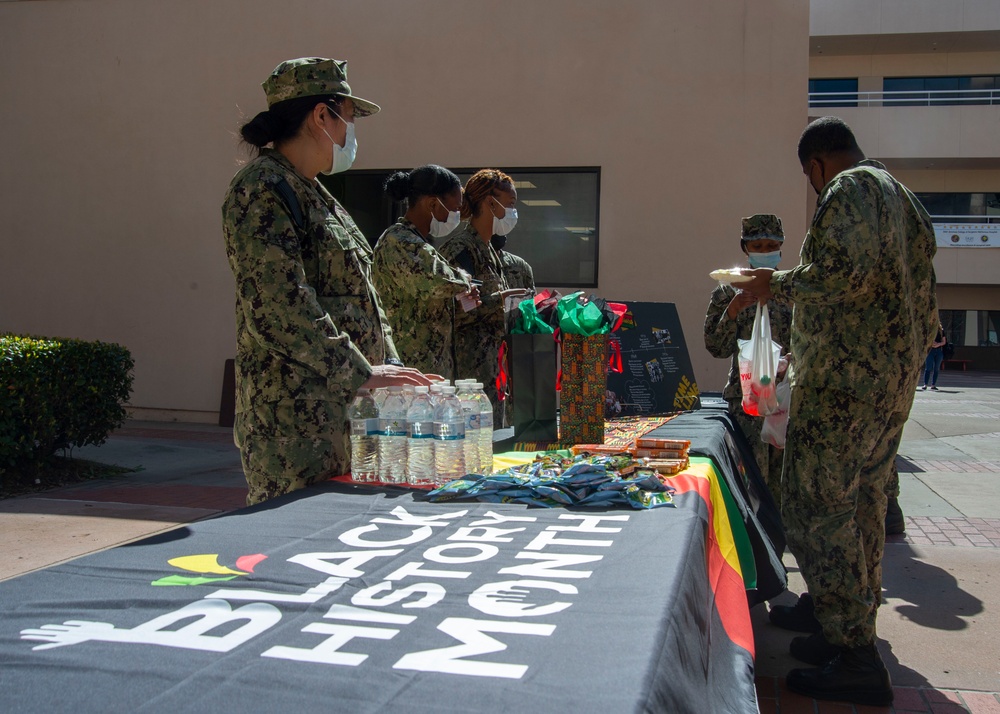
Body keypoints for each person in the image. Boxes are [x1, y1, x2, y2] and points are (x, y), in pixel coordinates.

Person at [743, 116, 937, 706]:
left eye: (810, 178)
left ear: (818, 166)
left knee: (814, 508)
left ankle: (854, 652)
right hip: (887, 384)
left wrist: (771, 284)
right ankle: (842, 624)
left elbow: (840, 275)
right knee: (864, 506)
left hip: (846, 388)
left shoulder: (850, 189)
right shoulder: (904, 199)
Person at [222, 57, 433, 505]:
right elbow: (278, 309)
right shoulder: (262, 189)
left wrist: (391, 370)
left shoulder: (315, 192)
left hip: (345, 420)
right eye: (349, 118)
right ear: (322, 115)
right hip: (297, 430)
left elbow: (363, 299)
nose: (351, 133)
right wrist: (360, 372)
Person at [704, 213, 793, 503]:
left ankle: (777, 540)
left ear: (781, 246)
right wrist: (731, 312)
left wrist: (792, 360)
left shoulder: (793, 290)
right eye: (758, 246)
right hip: (747, 402)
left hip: (786, 397)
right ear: (745, 248)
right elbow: (716, 347)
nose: (765, 252)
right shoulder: (728, 290)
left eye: (771, 245)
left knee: (784, 482)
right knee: (749, 480)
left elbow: (812, 340)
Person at [439, 169, 530, 425]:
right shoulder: (461, 250)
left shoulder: (491, 252)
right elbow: (455, 310)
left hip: (493, 370)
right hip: (470, 374)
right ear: (491, 202)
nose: (512, 212)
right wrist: (499, 300)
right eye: (510, 204)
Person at [372, 165, 480, 380]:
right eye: (455, 208)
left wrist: (461, 297)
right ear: (432, 203)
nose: (457, 215)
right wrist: (464, 281)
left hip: (430, 365)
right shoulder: (399, 240)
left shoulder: (421, 243)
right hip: (410, 364)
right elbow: (437, 281)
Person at [921, 323, 947, 390]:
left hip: (938, 351)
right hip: (930, 350)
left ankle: (933, 385)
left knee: (936, 368)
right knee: (928, 367)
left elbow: (944, 342)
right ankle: (925, 384)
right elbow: (923, 340)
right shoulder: (928, 330)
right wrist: (930, 344)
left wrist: (938, 344)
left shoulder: (941, 331)